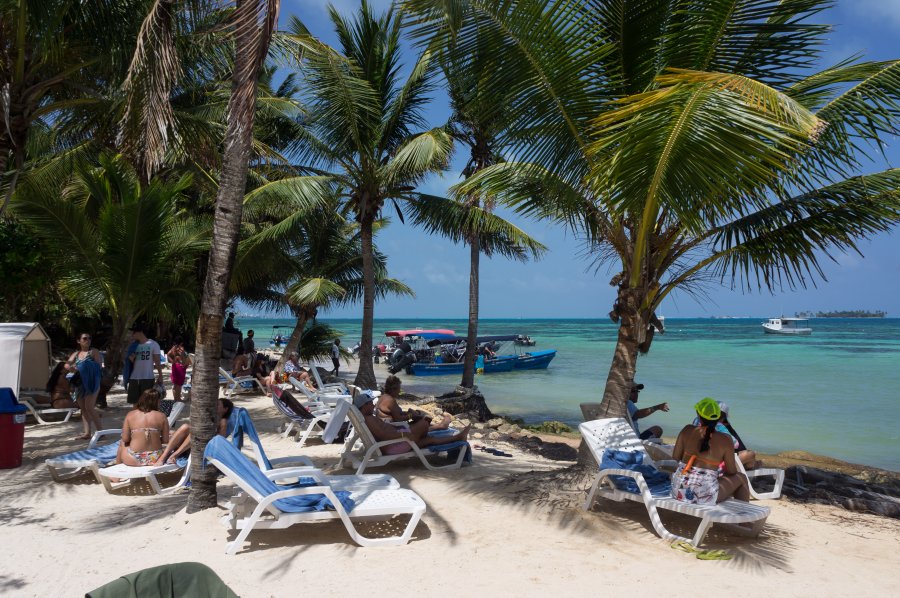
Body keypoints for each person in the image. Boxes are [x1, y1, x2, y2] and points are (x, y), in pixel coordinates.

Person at [671, 398, 750, 504]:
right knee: (741, 478)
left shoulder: (687, 429)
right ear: (719, 417)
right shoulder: (726, 439)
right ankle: (743, 519)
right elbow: (731, 471)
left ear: (698, 415)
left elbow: (676, 457)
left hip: (678, 490)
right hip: (704, 495)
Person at [354, 393, 470, 455]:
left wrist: (401, 429)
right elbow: (384, 435)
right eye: (370, 403)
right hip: (394, 444)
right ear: (364, 406)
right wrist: (404, 435)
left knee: (430, 440)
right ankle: (439, 427)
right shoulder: (369, 419)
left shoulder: (367, 418)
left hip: (395, 441)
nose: (373, 405)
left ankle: (459, 437)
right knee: (424, 423)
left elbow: (385, 431)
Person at [156, 398, 233, 465]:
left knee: (194, 431)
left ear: (225, 409)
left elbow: (220, 440)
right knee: (185, 427)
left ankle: (174, 455)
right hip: (192, 443)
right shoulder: (210, 418)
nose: (214, 405)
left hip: (203, 446)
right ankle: (164, 456)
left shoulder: (223, 421)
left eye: (218, 404)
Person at [376, 375, 451, 431]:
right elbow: (398, 419)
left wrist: (407, 413)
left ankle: (436, 425)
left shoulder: (383, 397)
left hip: (388, 427)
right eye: (399, 389)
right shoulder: (390, 401)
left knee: (420, 418)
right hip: (394, 430)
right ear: (393, 389)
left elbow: (392, 415)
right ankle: (441, 426)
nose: (399, 391)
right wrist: (411, 415)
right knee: (422, 422)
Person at [115, 388, 169, 466]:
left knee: (122, 443)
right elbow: (165, 440)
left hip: (134, 459)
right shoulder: (162, 416)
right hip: (156, 457)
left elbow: (125, 439)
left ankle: (116, 475)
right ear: (157, 401)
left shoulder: (130, 415)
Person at [66, 332, 103, 440]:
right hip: (80, 383)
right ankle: (87, 433)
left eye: (90, 338)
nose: (88, 340)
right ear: (79, 341)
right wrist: (71, 368)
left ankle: (101, 433)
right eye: (85, 338)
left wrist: (81, 367)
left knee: (89, 407)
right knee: (83, 409)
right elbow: (67, 364)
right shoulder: (76, 354)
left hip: (92, 382)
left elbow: (98, 366)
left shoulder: (93, 352)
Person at [127, 324, 164, 405]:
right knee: (135, 403)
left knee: (147, 404)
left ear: (140, 332)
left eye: (133, 332)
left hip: (148, 378)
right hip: (134, 378)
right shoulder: (133, 346)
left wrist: (160, 376)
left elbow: (157, 362)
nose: (132, 334)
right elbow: (130, 363)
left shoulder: (153, 344)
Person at [166, 337, 192, 402]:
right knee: (179, 384)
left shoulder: (173, 348)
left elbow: (168, 354)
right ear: (181, 343)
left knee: (175, 384)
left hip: (175, 366)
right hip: (180, 367)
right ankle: (178, 399)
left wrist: (173, 361)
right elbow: (184, 359)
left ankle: (176, 399)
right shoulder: (181, 349)